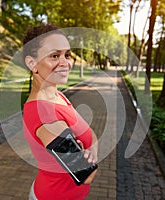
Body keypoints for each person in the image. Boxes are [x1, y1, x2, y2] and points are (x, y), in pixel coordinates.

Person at [22, 24, 98, 200]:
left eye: (67, 55)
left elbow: (91, 135)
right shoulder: (45, 116)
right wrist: (89, 151)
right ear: (32, 63)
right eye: (55, 56)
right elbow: (86, 174)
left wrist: (90, 150)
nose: (65, 63)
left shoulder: (58, 96)